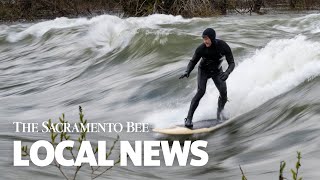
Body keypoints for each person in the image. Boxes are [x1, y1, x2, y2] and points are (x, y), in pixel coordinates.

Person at [179, 28, 235, 128]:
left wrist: (227, 73)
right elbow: (193, 61)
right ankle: (188, 119)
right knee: (201, 91)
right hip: (203, 70)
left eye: (207, 39)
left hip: (217, 71)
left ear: (212, 38)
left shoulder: (223, 46)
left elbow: (231, 63)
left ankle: (219, 115)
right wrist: (187, 71)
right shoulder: (201, 48)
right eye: (203, 39)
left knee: (224, 93)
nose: (205, 41)